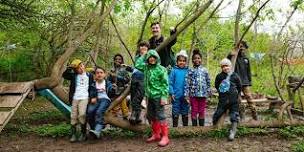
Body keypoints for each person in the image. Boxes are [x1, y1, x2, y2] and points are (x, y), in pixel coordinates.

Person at [135, 49, 170, 147]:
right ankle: (156, 134)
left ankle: (165, 137)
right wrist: (144, 54)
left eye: (153, 57)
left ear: (157, 58)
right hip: (149, 97)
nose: (151, 59)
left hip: (158, 96)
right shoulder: (146, 68)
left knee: (161, 116)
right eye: (149, 57)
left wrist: (164, 96)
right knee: (151, 116)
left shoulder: (161, 69)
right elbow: (137, 64)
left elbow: (165, 84)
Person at [62, 59, 97, 142]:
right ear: (75, 70)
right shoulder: (74, 76)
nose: (81, 68)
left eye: (81, 66)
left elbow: (92, 87)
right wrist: (69, 68)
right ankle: (73, 134)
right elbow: (64, 75)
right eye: (78, 68)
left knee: (82, 115)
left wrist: (92, 96)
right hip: (75, 98)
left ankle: (83, 133)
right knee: (73, 116)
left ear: (84, 65)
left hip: (84, 98)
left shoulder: (89, 75)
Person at [227, 40, 258, 120]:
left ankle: (255, 117)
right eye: (239, 46)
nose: (241, 48)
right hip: (236, 82)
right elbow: (227, 62)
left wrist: (249, 81)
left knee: (249, 98)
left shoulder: (246, 58)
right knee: (238, 100)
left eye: (243, 47)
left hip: (245, 82)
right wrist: (230, 55)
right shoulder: (233, 57)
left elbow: (248, 71)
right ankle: (242, 118)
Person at [213, 58, 242, 141]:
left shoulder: (235, 75)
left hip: (233, 100)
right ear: (221, 68)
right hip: (223, 100)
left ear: (230, 66)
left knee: (234, 115)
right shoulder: (219, 76)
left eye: (227, 66)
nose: (225, 68)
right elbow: (216, 85)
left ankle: (232, 132)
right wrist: (221, 92)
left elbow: (239, 86)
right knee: (218, 112)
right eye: (223, 66)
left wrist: (237, 94)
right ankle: (214, 124)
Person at [184, 49, 211, 126]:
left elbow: (208, 81)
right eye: (195, 58)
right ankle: (195, 128)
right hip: (193, 95)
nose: (197, 60)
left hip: (203, 94)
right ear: (192, 60)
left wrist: (209, 92)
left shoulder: (205, 70)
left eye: (198, 58)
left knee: (202, 110)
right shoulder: (190, 70)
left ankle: (201, 128)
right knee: (194, 110)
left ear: (201, 59)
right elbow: (187, 83)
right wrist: (186, 94)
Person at [124, 41, 149, 125]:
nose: (143, 47)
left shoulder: (149, 56)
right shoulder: (137, 57)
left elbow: (145, 67)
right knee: (133, 96)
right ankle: (137, 117)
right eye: (141, 46)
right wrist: (129, 68)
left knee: (138, 97)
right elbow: (136, 69)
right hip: (134, 78)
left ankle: (134, 115)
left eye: (145, 46)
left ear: (148, 48)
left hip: (143, 79)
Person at [87, 67, 115, 138]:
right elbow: (91, 92)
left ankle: (98, 130)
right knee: (90, 111)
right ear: (95, 75)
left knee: (99, 112)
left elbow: (112, 91)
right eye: (97, 73)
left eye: (101, 73)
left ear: (104, 74)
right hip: (96, 99)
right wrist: (92, 97)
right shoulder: (93, 84)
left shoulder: (108, 83)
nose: (99, 74)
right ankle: (93, 129)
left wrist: (113, 89)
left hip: (105, 99)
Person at [169, 50, 189, 127]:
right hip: (176, 96)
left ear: (186, 62)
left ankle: (185, 129)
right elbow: (170, 83)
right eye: (180, 61)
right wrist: (171, 92)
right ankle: (175, 128)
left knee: (185, 111)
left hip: (185, 96)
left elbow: (190, 83)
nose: (182, 62)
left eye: (184, 61)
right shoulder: (174, 71)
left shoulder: (188, 70)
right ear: (177, 61)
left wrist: (189, 94)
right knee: (175, 111)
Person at [108, 54, 130, 120]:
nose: (117, 60)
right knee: (114, 106)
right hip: (113, 90)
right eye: (116, 59)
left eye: (119, 59)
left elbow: (127, 80)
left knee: (123, 105)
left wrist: (117, 77)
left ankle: (126, 116)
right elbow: (108, 80)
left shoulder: (124, 69)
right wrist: (111, 84)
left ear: (122, 60)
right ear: (114, 61)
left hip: (122, 90)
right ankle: (113, 122)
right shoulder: (112, 70)